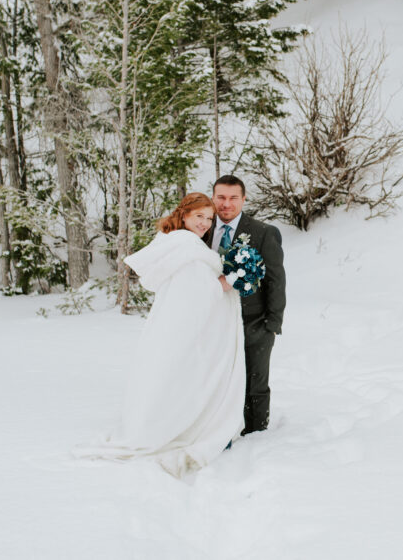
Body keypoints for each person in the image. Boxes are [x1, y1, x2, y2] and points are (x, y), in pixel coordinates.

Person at [84, 193, 245, 477]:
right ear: (184, 215)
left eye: (209, 219)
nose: (205, 224)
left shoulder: (173, 243)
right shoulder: (187, 248)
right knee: (183, 381)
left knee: (168, 377)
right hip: (184, 330)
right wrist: (228, 281)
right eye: (199, 217)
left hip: (170, 327)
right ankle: (180, 427)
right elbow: (196, 295)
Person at [208, 175, 285, 435]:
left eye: (233, 198)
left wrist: (272, 324)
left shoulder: (263, 233)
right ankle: (217, 431)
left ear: (243, 199)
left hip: (253, 321)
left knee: (255, 382)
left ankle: (255, 436)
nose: (226, 204)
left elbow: (276, 279)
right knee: (215, 380)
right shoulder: (200, 230)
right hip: (212, 321)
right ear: (213, 198)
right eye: (221, 197)